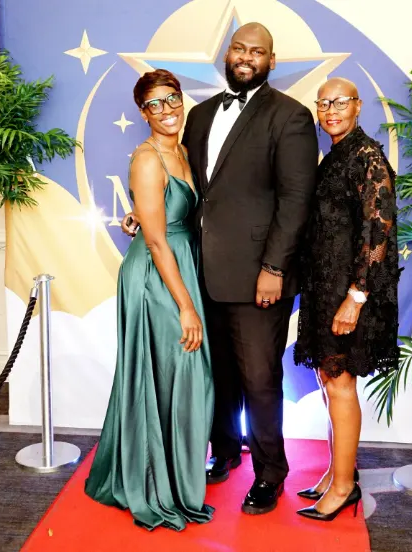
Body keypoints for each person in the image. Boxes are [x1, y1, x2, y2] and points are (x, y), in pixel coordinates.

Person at [122, 23, 318, 515]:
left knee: (259, 378)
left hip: (258, 277)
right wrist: (143, 214)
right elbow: (189, 187)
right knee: (219, 375)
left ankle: (270, 472)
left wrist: (274, 267)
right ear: (227, 55)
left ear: (271, 61)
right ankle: (226, 449)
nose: (246, 57)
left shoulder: (290, 116)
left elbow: (296, 200)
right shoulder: (202, 114)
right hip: (200, 272)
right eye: (238, 48)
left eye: (257, 51)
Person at [85, 69, 214, 531]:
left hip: (179, 263)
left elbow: (164, 213)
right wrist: (186, 306)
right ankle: (155, 484)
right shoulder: (146, 158)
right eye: (155, 104)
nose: (167, 110)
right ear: (143, 113)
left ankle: (174, 476)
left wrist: (138, 214)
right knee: (174, 370)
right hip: (157, 276)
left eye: (172, 98)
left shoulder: (183, 149)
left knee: (178, 376)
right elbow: (158, 241)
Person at [293, 77, 399, 521]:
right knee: (328, 382)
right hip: (325, 289)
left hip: (348, 293)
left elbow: (378, 230)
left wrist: (355, 297)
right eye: (323, 104)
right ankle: (337, 472)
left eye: (339, 102)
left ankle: (343, 487)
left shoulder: (367, 156)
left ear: (357, 106)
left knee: (339, 385)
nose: (330, 110)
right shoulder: (336, 155)